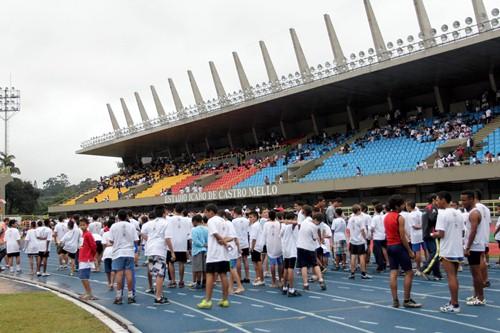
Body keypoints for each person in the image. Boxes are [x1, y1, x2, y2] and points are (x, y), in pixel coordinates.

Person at [384, 195, 422, 308]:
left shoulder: (386, 217)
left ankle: (395, 300)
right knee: (409, 272)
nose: (403, 206)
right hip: (398, 246)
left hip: (389, 246)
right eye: (402, 204)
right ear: (397, 205)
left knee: (393, 272)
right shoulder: (400, 217)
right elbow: (402, 237)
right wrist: (410, 251)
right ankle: (406, 300)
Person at [431, 191, 464, 313]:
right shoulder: (459, 213)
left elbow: (441, 233)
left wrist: (432, 235)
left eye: (437, 199)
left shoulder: (442, 214)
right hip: (457, 248)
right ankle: (453, 301)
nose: (436, 202)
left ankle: (455, 304)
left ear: (443, 200)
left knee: (451, 277)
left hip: (447, 249)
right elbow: (462, 231)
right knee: (454, 277)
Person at [197, 204, 232, 309]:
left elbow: (216, 234)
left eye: (206, 212)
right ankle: (225, 300)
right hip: (224, 254)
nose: (205, 214)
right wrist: (225, 241)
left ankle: (207, 301)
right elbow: (231, 237)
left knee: (210, 276)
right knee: (223, 275)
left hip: (214, 254)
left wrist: (222, 241)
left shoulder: (211, 221)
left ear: (211, 212)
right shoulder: (224, 221)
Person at [109, 209, 139, 305]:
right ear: (126, 216)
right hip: (129, 252)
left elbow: (111, 241)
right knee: (129, 274)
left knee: (119, 275)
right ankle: (130, 295)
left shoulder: (114, 226)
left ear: (118, 217)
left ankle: (118, 296)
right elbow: (136, 240)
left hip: (118, 252)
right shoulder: (131, 226)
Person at [461, 190, 486, 306]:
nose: (462, 202)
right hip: (474, 246)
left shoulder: (474, 213)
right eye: (462, 200)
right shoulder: (472, 212)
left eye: (465, 200)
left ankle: (480, 297)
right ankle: (476, 295)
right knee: (474, 273)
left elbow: (473, 231)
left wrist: (467, 247)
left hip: (474, 247)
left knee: (476, 273)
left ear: (472, 199)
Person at [296, 206, 326, 291]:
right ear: (315, 219)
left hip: (301, 246)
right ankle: (321, 280)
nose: (318, 224)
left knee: (303, 266)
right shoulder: (314, 227)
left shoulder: (305, 221)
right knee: (315, 264)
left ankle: (305, 284)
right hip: (310, 248)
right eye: (318, 222)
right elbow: (314, 238)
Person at [145, 206, 169, 304]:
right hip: (159, 250)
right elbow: (168, 238)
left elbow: (142, 233)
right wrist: (171, 250)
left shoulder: (149, 223)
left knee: (156, 273)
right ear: (163, 213)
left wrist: (149, 240)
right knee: (160, 274)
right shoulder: (166, 223)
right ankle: (158, 297)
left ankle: (160, 293)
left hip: (150, 250)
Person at [165, 204, 192, 288]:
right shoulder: (188, 220)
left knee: (171, 263)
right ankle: (181, 281)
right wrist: (189, 247)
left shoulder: (169, 219)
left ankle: (173, 281)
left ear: (174, 210)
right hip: (183, 244)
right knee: (181, 263)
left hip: (172, 244)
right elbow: (189, 233)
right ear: (183, 211)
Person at [421, 194, 443, 280]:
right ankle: (424, 269)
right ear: (434, 200)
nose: (438, 201)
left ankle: (437, 274)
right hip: (432, 234)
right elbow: (433, 219)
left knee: (434, 255)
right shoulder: (433, 208)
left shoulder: (426, 208)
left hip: (426, 234)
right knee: (436, 253)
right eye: (437, 199)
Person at [347, 205, 371, 280]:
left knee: (353, 257)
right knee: (361, 257)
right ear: (358, 210)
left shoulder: (350, 219)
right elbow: (362, 230)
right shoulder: (360, 219)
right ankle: (363, 273)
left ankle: (352, 273)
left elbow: (348, 230)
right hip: (360, 240)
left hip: (353, 240)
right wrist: (366, 238)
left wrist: (350, 238)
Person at [280, 211, 300, 296]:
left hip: (285, 250)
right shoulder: (290, 225)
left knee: (285, 269)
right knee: (290, 269)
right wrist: (287, 221)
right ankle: (291, 289)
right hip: (291, 250)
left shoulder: (283, 226)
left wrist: (284, 221)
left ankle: (284, 287)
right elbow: (297, 223)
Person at [474, 190, 491, 288]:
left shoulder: (476, 208)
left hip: (478, 237)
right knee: (482, 258)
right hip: (484, 236)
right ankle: (485, 279)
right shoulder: (486, 208)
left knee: (479, 259)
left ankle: (483, 280)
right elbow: (488, 223)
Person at [262, 210, 283, 288]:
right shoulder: (278, 223)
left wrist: (262, 245)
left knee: (272, 264)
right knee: (280, 263)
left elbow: (264, 235)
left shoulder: (266, 224)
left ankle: (274, 282)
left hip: (270, 245)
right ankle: (280, 280)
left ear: (269, 216)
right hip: (278, 245)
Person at [78, 217, 97, 301]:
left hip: (87, 258)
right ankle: (87, 292)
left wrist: (92, 256)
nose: (82, 226)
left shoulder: (88, 234)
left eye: (84, 225)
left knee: (84, 276)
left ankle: (89, 294)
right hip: (82, 258)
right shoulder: (82, 234)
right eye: (80, 225)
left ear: (87, 225)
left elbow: (93, 246)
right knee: (82, 277)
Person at [231, 207, 251, 283]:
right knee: (245, 259)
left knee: (238, 260)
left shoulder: (234, 221)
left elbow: (233, 232)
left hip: (238, 242)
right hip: (245, 242)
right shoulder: (247, 220)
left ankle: (239, 277)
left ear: (236, 213)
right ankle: (247, 276)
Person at [190, 214, 208, 290]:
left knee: (198, 268)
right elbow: (208, 240)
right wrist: (205, 245)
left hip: (197, 250)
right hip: (205, 250)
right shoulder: (206, 229)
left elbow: (195, 240)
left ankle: (198, 282)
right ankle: (204, 282)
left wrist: (202, 245)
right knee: (204, 268)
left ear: (194, 221)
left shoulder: (194, 229)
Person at [406, 200, 424, 273]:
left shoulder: (410, 215)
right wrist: (422, 227)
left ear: (410, 206)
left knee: (417, 252)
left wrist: (419, 227)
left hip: (415, 235)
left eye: (407, 206)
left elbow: (414, 226)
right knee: (426, 251)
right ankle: (428, 266)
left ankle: (418, 268)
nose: (406, 207)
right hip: (422, 234)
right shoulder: (420, 213)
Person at [249, 211, 265, 286]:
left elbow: (254, 238)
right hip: (257, 246)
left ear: (255, 217)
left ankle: (261, 279)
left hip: (255, 247)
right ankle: (258, 277)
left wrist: (251, 248)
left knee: (258, 263)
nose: (250, 219)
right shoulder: (256, 224)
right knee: (256, 263)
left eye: (251, 217)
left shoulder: (255, 225)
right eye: (249, 217)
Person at [371, 204, 388, 272]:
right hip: (384, 236)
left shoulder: (375, 218)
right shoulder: (384, 217)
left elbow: (372, 227)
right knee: (384, 250)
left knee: (377, 252)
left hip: (377, 237)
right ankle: (384, 263)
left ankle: (380, 265)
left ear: (375, 210)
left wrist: (371, 233)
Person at [102, 219, 115, 290]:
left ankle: (109, 282)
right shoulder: (116, 233)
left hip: (107, 251)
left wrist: (104, 252)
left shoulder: (105, 234)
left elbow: (103, 244)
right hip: (114, 250)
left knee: (107, 269)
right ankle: (112, 282)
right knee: (113, 268)